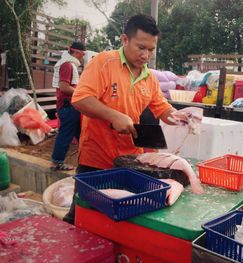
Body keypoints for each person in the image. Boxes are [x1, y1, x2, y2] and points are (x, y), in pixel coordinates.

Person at [63, 14, 183, 224]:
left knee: (119, 219)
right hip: (96, 160)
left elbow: (161, 107)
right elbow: (80, 99)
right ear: (125, 40)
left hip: (130, 163)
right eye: (141, 47)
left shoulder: (149, 78)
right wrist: (113, 115)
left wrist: (179, 117)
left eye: (151, 50)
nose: (146, 55)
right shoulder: (104, 62)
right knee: (82, 217)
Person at [50, 42, 86, 171]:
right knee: (66, 134)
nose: (82, 58)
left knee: (81, 134)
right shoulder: (67, 65)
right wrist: (83, 94)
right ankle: (57, 162)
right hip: (68, 106)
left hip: (71, 106)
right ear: (76, 53)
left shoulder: (68, 64)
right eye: (82, 54)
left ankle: (86, 162)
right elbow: (64, 87)